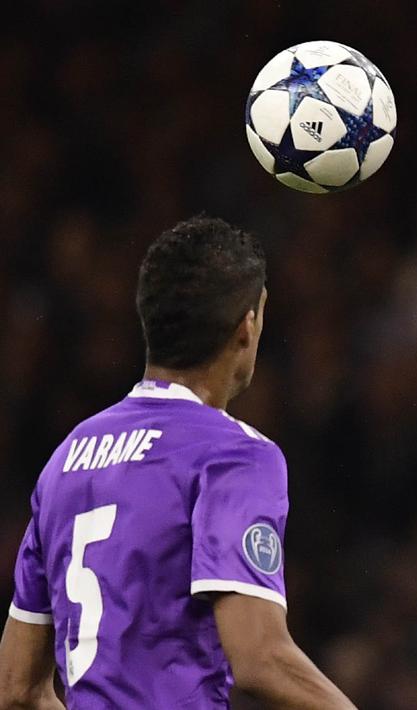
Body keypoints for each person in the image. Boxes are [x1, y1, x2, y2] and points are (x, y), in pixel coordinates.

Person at [0, 217, 355, 708]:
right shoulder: (234, 454)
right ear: (247, 327)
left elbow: (16, 688)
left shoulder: (67, 459)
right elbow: (259, 657)